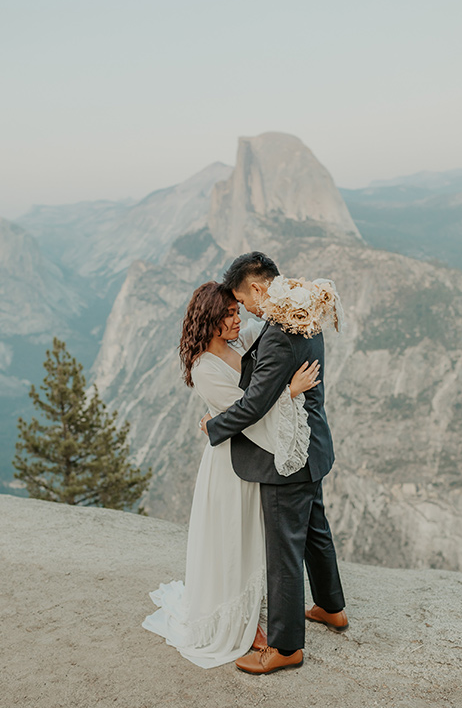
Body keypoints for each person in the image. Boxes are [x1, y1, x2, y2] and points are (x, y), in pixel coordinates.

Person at [142, 281, 319, 669]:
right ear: (210, 321)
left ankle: (253, 613)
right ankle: (240, 623)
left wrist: (301, 297)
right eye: (230, 315)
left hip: (252, 459)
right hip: (229, 465)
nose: (239, 319)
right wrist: (289, 390)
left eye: (238, 312)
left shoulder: (240, 342)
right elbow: (247, 412)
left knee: (250, 539)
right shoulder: (204, 367)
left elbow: (273, 325)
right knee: (231, 540)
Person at [201, 252, 348, 675]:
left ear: (259, 289)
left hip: (287, 456)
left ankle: (285, 648)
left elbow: (254, 405)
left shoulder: (281, 332)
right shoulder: (304, 311)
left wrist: (214, 426)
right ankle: (331, 607)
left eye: (243, 301)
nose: (244, 310)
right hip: (313, 445)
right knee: (315, 530)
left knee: (284, 548)